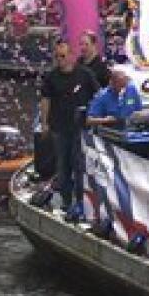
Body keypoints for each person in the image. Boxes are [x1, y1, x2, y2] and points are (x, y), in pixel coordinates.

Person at [38, 39, 100, 213]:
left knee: (79, 165)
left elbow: (98, 95)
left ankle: (81, 201)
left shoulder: (85, 74)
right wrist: (44, 124)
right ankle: (66, 201)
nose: (60, 60)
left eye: (63, 56)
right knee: (63, 165)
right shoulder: (51, 77)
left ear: (71, 56)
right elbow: (45, 100)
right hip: (60, 127)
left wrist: (93, 117)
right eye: (57, 56)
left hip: (80, 128)